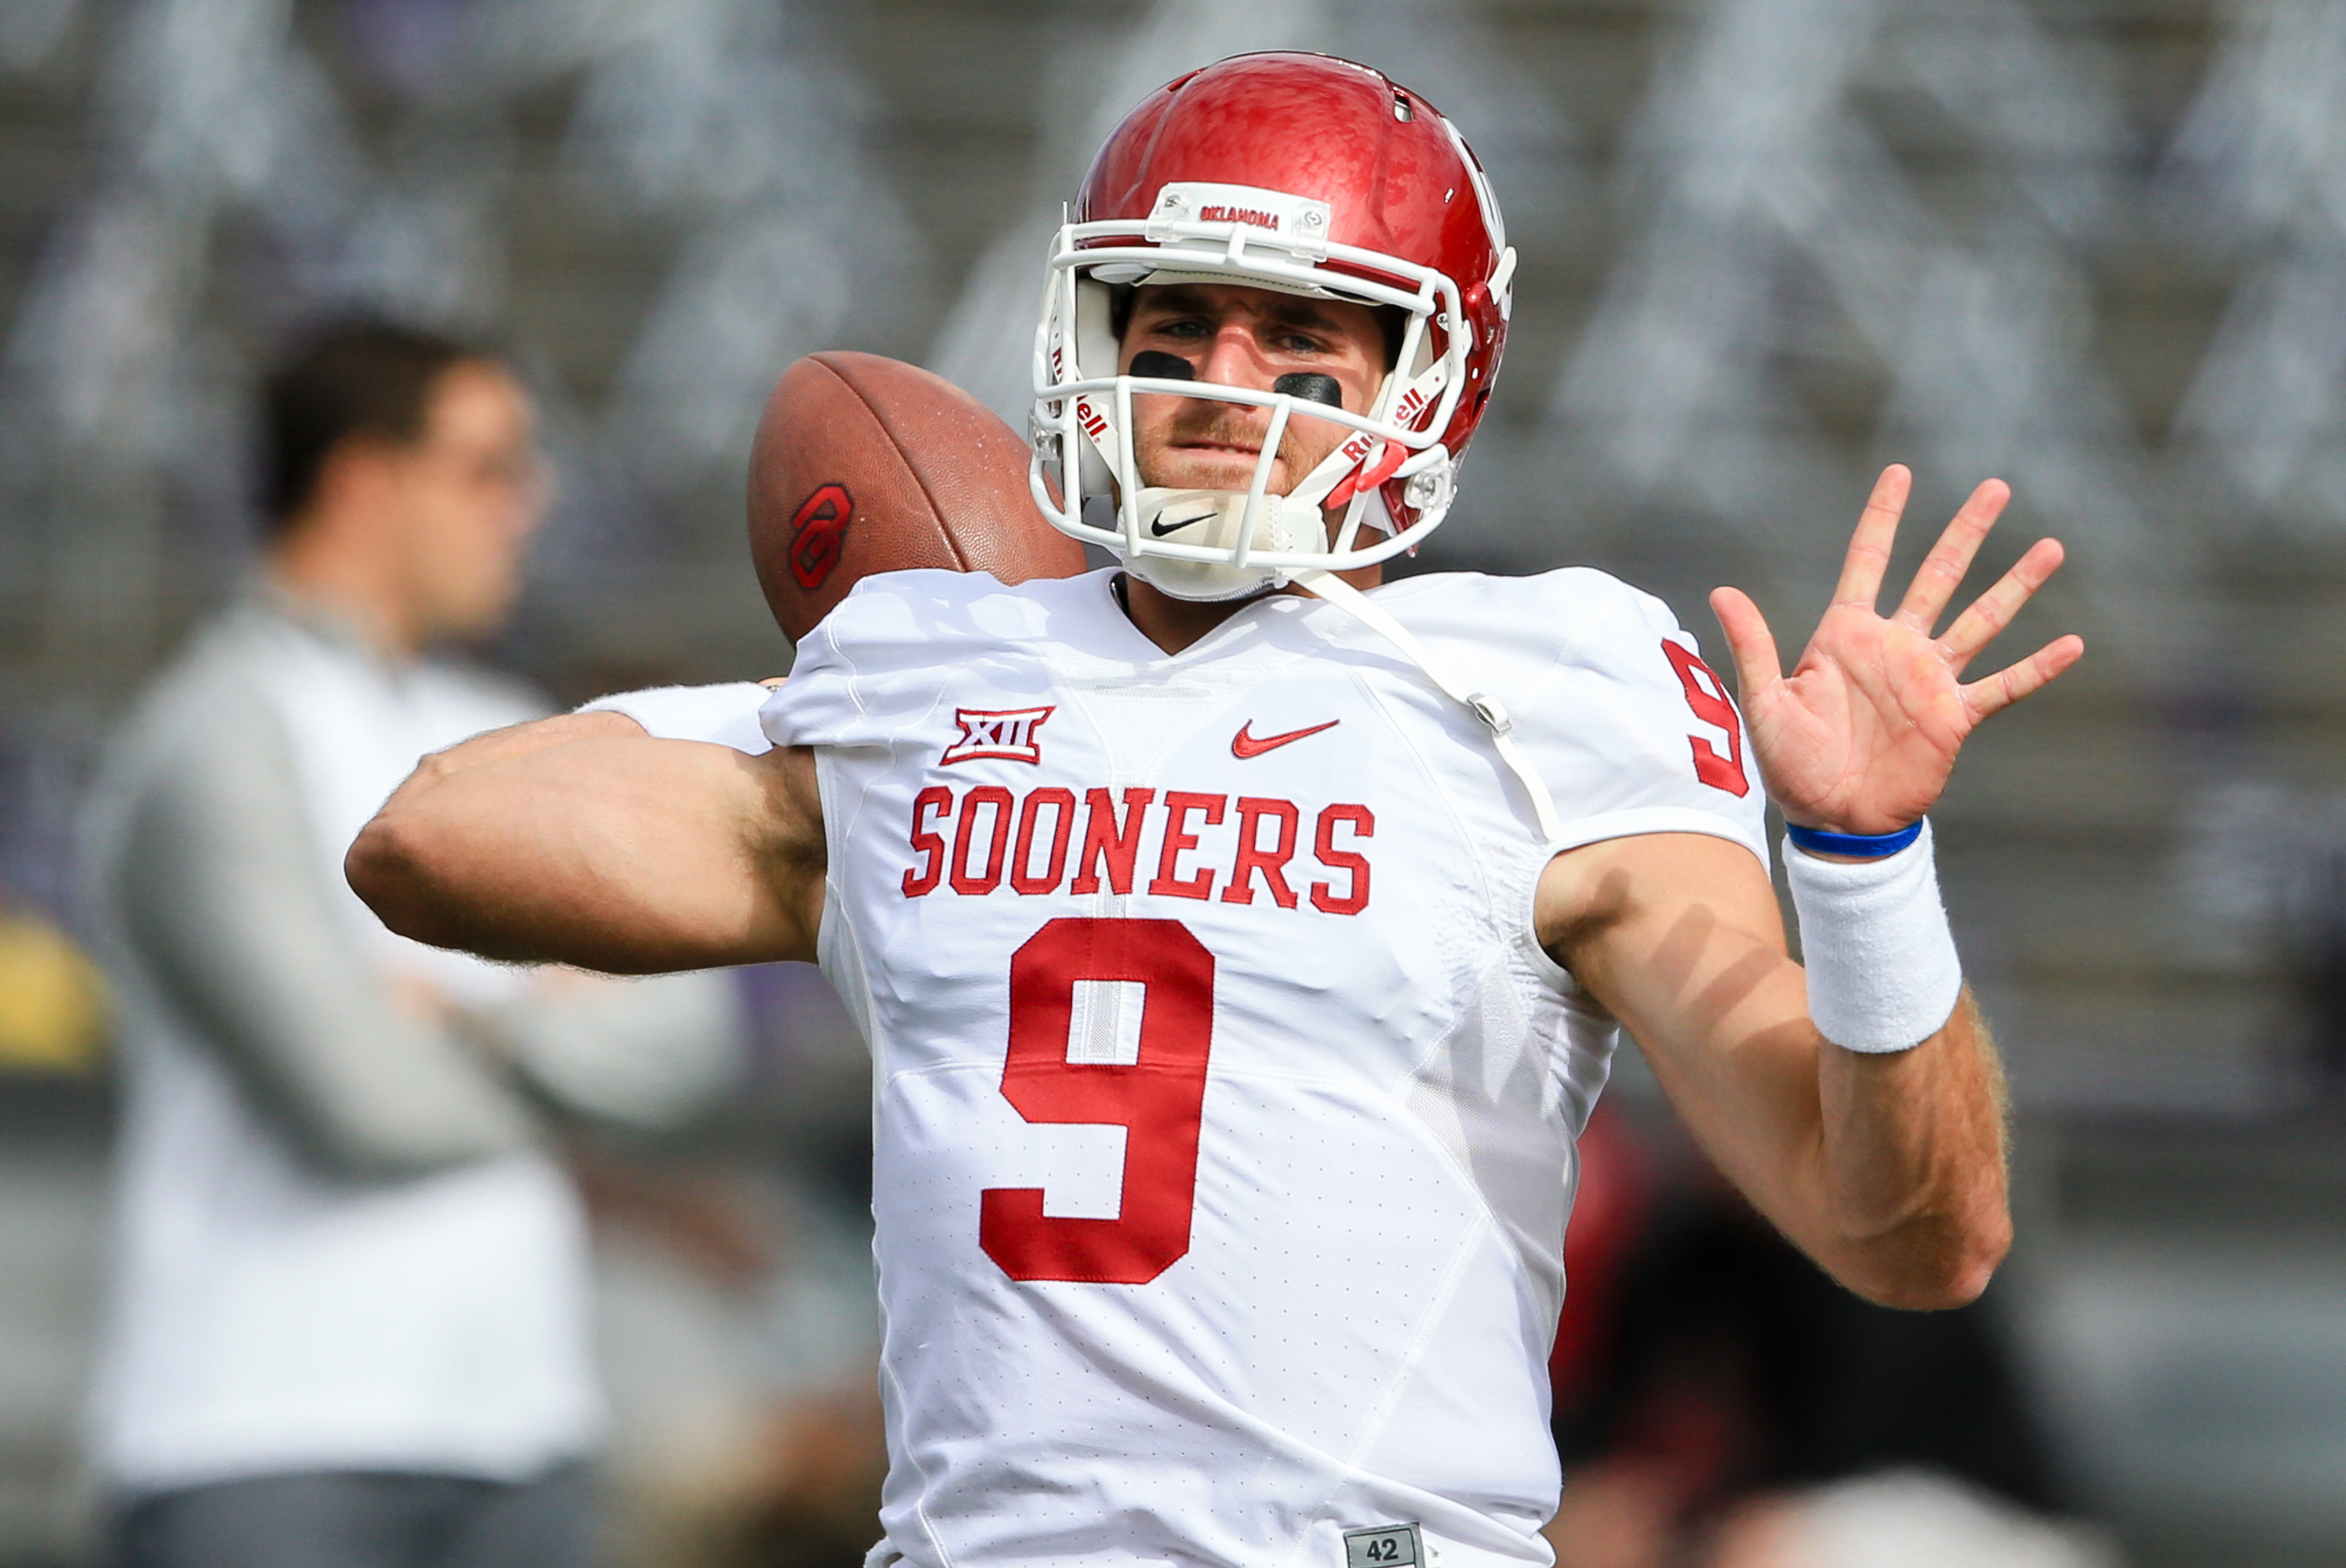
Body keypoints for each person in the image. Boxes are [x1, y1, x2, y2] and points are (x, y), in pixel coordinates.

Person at [345, 54, 2082, 1568]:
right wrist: (846, 708)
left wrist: (1863, 861)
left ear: (1427, 374)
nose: (1218, 374)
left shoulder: (1541, 679)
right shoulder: (934, 679)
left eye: (1298, 332)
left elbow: (1916, 1232)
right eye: (1169, 320)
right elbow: (424, 840)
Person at [79, 320, 739, 1568]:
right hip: (261, 1449)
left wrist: (465, 1019)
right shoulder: (213, 733)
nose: (531, 505)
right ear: (362, 482)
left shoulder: (504, 731)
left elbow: (691, 1042)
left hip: (524, 1437)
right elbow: (360, 1103)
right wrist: (566, 1016)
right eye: (490, 468)